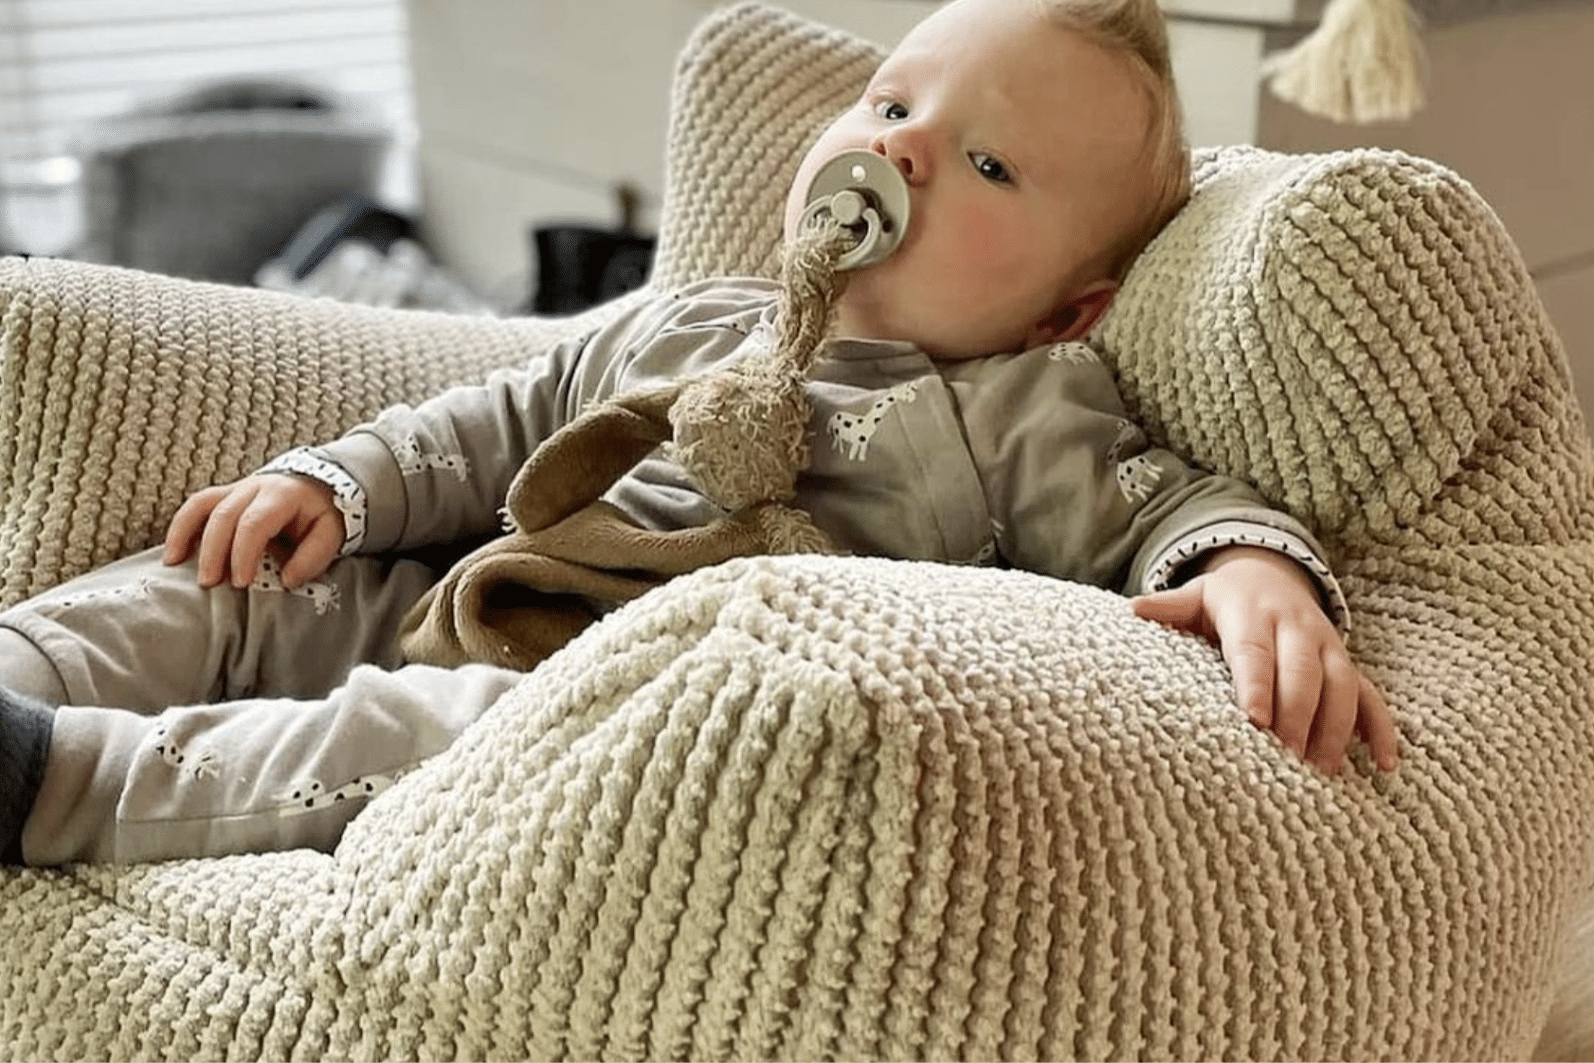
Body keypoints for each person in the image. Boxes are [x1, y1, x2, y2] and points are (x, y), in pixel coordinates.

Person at [0, 0, 1399, 867]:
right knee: (224, 587)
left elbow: (1169, 504)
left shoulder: (1016, 410)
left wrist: (1251, 569)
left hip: (615, 721)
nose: (902, 149)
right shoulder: (692, 320)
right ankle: (26, 674)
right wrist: (342, 485)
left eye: (985, 163)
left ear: (1066, 310)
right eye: (892, 103)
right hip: (460, 602)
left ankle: (64, 783)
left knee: (429, 732)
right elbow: (503, 414)